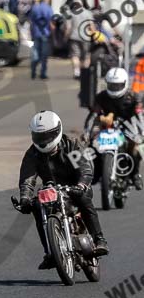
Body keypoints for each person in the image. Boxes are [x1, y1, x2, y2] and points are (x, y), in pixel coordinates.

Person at [18, 111, 109, 269]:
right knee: (37, 207)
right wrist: (25, 198)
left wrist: (81, 185)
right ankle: (49, 252)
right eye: (39, 136)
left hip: (76, 186)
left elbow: (84, 168)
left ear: (57, 131)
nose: (44, 140)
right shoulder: (32, 154)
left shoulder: (71, 145)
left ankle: (99, 239)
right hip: (51, 189)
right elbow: (28, 178)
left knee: (84, 199)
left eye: (47, 135)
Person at [88, 67, 143, 190]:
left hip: (127, 126)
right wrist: (87, 132)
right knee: (92, 146)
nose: (114, 88)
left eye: (117, 85)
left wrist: (141, 132)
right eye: (112, 85)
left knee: (135, 146)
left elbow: (139, 115)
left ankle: (135, 175)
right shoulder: (101, 97)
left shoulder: (133, 97)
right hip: (107, 126)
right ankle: (97, 173)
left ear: (125, 84)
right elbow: (92, 115)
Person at [29, 0, 54, 80]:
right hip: (45, 34)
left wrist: (31, 33)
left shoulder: (35, 8)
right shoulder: (49, 9)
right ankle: (43, 73)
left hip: (36, 33)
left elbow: (31, 22)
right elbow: (51, 23)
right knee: (44, 55)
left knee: (36, 52)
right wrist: (53, 34)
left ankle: (33, 68)